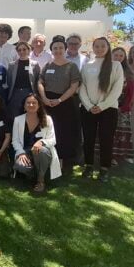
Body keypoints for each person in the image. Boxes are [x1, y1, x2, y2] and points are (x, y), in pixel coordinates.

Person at [79, 37, 124, 182]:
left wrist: (102, 106)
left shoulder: (116, 65)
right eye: (96, 46)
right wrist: (89, 105)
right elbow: (82, 87)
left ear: (108, 47)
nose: (99, 49)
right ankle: (88, 166)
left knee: (106, 139)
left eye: (102, 46)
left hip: (108, 109)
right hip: (89, 109)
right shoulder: (87, 65)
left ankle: (104, 169)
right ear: (93, 47)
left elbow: (117, 89)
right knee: (88, 139)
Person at [36, 36, 81, 175]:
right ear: (51, 50)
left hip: (65, 103)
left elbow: (74, 86)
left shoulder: (71, 66)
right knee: (48, 130)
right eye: (55, 48)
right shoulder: (47, 65)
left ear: (65, 49)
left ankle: (62, 160)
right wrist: (44, 98)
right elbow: (40, 82)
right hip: (48, 102)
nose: (58, 50)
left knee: (63, 132)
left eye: (61, 48)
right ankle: (46, 157)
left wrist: (60, 100)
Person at [12, 94, 62, 193]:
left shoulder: (47, 119)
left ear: (39, 105)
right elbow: (15, 140)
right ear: (24, 106)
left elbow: (53, 140)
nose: (31, 105)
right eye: (28, 103)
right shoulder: (18, 120)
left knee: (41, 151)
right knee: (20, 166)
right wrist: (21, 153)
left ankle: (41, 181)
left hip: (42, 151)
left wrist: (41, 142)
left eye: (34, 103)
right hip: (26, 151)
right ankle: (35, 175)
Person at [112, 47, 134, 164]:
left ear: (124, 57)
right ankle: (111, 156)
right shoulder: (107, 70)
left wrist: (123, 107)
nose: (118, 57)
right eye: (116, 55)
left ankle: (123, 155)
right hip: (108, 106)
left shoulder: (128, 73)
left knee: (122, 132)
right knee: (110, 131)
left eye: (121, 56)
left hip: (123, 108)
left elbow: (131, 93)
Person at [6, 41, 38, 117]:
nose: (22, 51)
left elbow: (36, 80)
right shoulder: (12, 65)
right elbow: (9, 81)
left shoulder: (35, 64)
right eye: (19, 50)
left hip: (29, 93)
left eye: (24, 49)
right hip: (15, 94)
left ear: (29, 50)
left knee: (28, 115)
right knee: (15, 116)